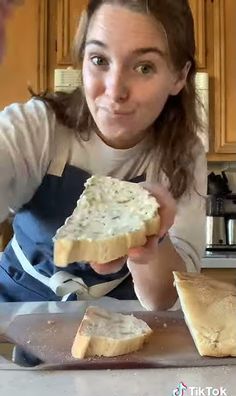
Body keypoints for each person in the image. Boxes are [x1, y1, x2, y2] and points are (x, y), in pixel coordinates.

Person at [0, 0, 207, 309]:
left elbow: (166, 298)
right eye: (99, 59)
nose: (115, 91)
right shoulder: (36, 126)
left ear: (179, 76)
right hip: (14, 306)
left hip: (121, 317)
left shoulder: (184, 154)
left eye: (144, 67)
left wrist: (153, 241)